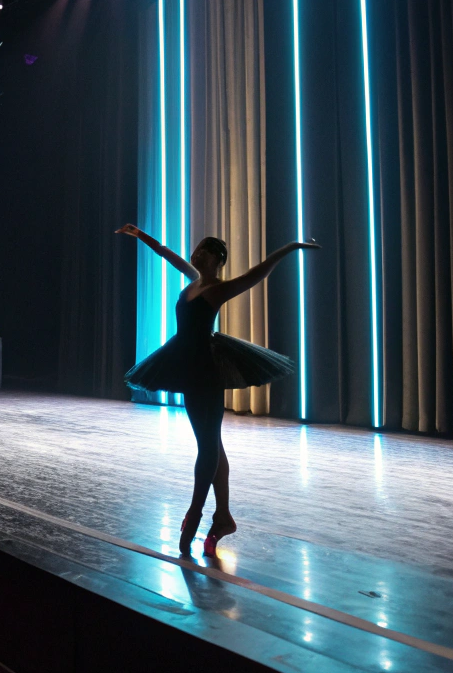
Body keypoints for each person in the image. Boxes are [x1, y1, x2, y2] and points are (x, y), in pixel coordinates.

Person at [116, 226, 319, 556]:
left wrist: (292, 247)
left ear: (218, 259)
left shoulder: (219, 288)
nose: (196, 254)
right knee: (210, 442)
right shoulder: (192, 279)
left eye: (204, 251)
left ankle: (196, 512)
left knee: (208, 446)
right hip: (186, 366)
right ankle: (223, 516)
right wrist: (141, 235)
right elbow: (167, 253)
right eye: (196, 250)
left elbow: (259, 271)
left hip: (206, 371)